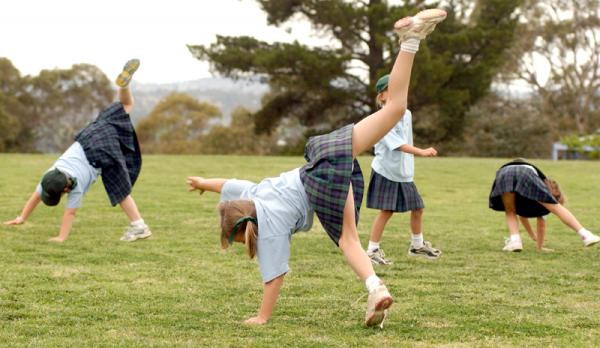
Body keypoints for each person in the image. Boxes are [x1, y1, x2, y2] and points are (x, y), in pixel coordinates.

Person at [186, 9, 447, 327]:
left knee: (348, 241)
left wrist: (262, 317)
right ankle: (411, 41)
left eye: (240, 240)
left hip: (323, 181)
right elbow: (226, 183)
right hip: (327, 159)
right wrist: (202, 182)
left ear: (246, 227)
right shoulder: (252, 194)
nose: (245, 245)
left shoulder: (269, 228)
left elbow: (274, 277)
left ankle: (375, 287)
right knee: (395, 108)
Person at [3, 59, 152, 243]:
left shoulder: (75, 187)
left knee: (119, 188)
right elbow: (37, 196)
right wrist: (22, 217)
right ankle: (124, 86)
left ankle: (139, 226)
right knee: (126, 106)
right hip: (93, 133)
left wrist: (61, 237)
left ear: (66, 188)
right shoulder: (52, 173)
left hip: (101, 153)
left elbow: (70, 213)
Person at [364, 74, 441, 265]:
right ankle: (372, 251)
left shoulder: (406, 113)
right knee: (387, 211)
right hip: (386, 171)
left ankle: (417, 246)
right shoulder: (381, 117)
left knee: (418, 208)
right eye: (393, 90)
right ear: (382, 96)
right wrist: (421, 152)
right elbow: (397, 144)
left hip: (403, 173)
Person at [489, 159, 600, 251]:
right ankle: (586, 235)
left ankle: (515, 241)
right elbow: (540, 222)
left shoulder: (529, 194)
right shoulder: (541, 185)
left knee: (510, 211)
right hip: (525, 172)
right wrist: (540, 247)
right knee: (555, 207)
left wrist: (535, 240)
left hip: (503, 172)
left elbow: (523, 216)